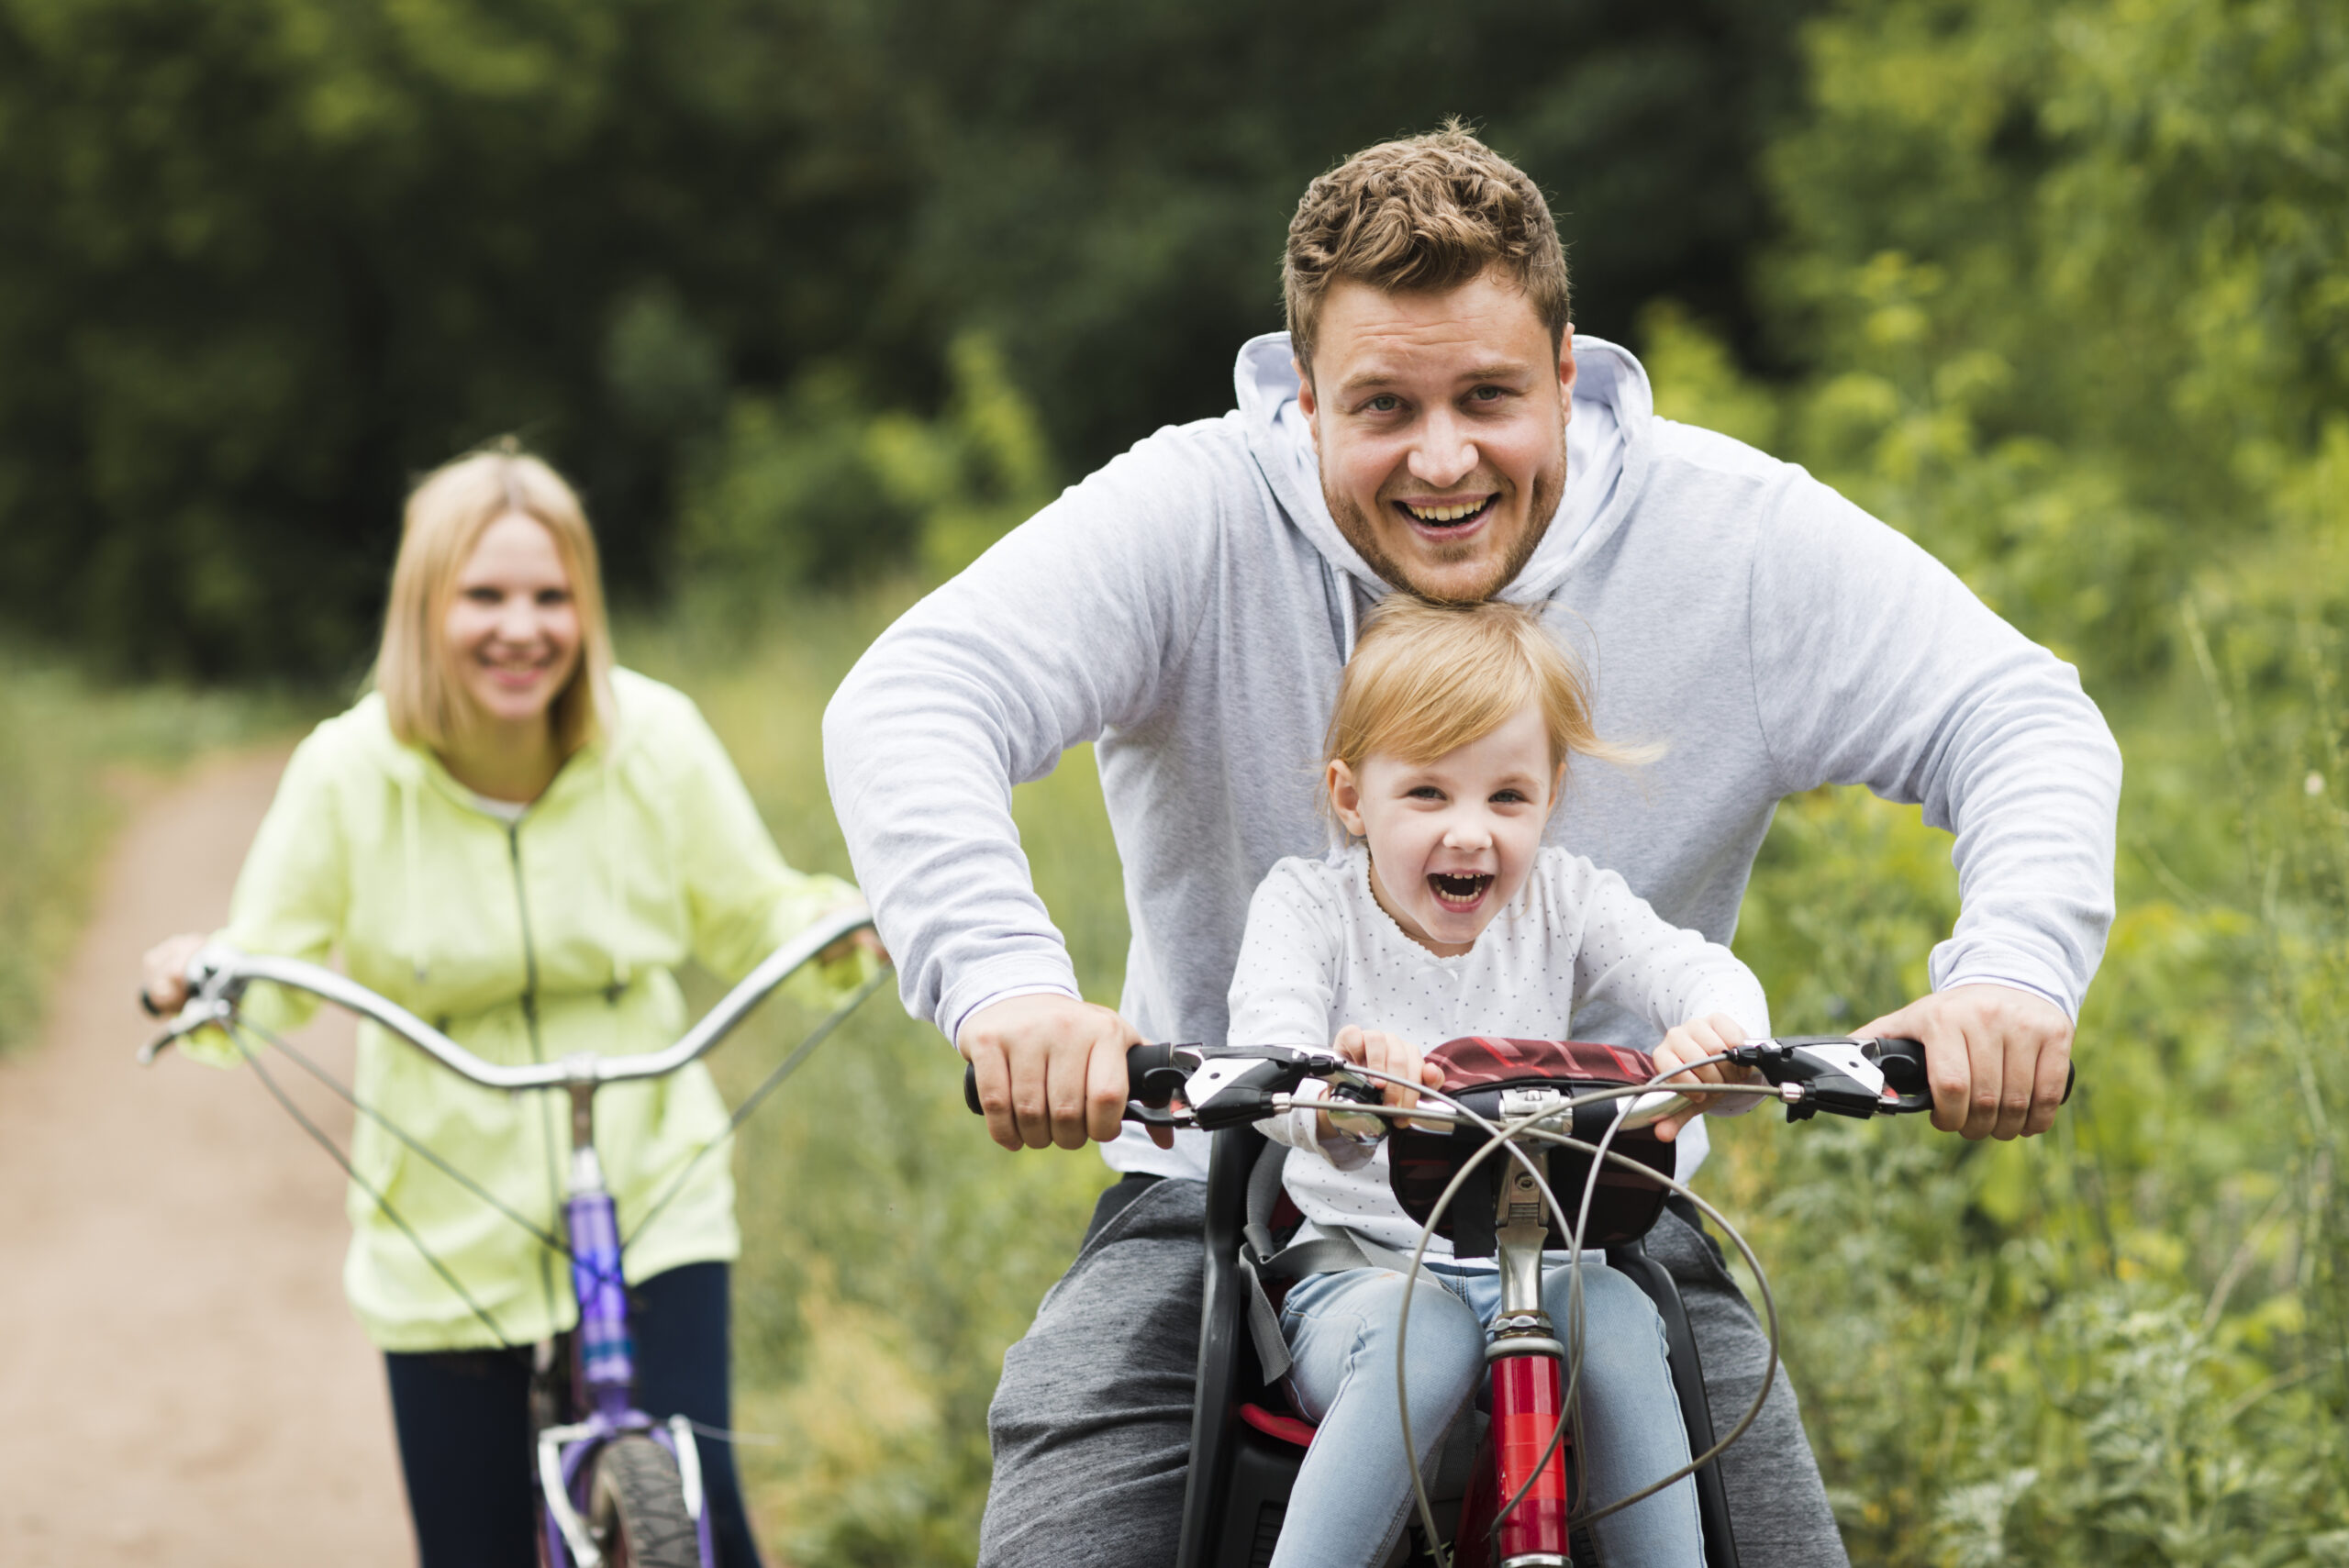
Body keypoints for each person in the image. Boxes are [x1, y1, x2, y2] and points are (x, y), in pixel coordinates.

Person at [825, 125, 2121, 1567]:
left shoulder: (1737, 542)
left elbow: (2018, 715)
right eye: (1383, 404)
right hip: (1238, 1190)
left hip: (1600, 1206)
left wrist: (2010, 974)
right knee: (1074, 1512)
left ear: (1569, 374)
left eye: (1491, 396)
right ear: (1307, 397)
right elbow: (913, 695)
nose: (1443, 459)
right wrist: (1006, 984)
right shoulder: (1190, 515)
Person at [140, 443, 878, 1568]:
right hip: (441, 1217)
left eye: (551, 594)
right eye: (483, 595)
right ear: (423, 607)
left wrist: (850, 926)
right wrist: (206, 976)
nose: (520, 627)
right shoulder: (346, 771)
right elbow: (268, 964)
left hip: (651, 1190)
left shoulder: (656, 740)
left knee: (705, 1519)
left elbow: (752, 912)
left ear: (585, 608)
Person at [1237, 596, 1768, 1567]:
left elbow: (1688, 965)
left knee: (1617, 1317)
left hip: (1544, 1255)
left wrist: (1722, 1037)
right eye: (1428, 794)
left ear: (1551, 794)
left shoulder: (1565, 897)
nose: (1470, 833)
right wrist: (1340, 1098)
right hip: (1360, 1267)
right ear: (1352, 798)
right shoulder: (1307, 906)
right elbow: (1270, 1053)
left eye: (1507, 796)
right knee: (1424, 1338)